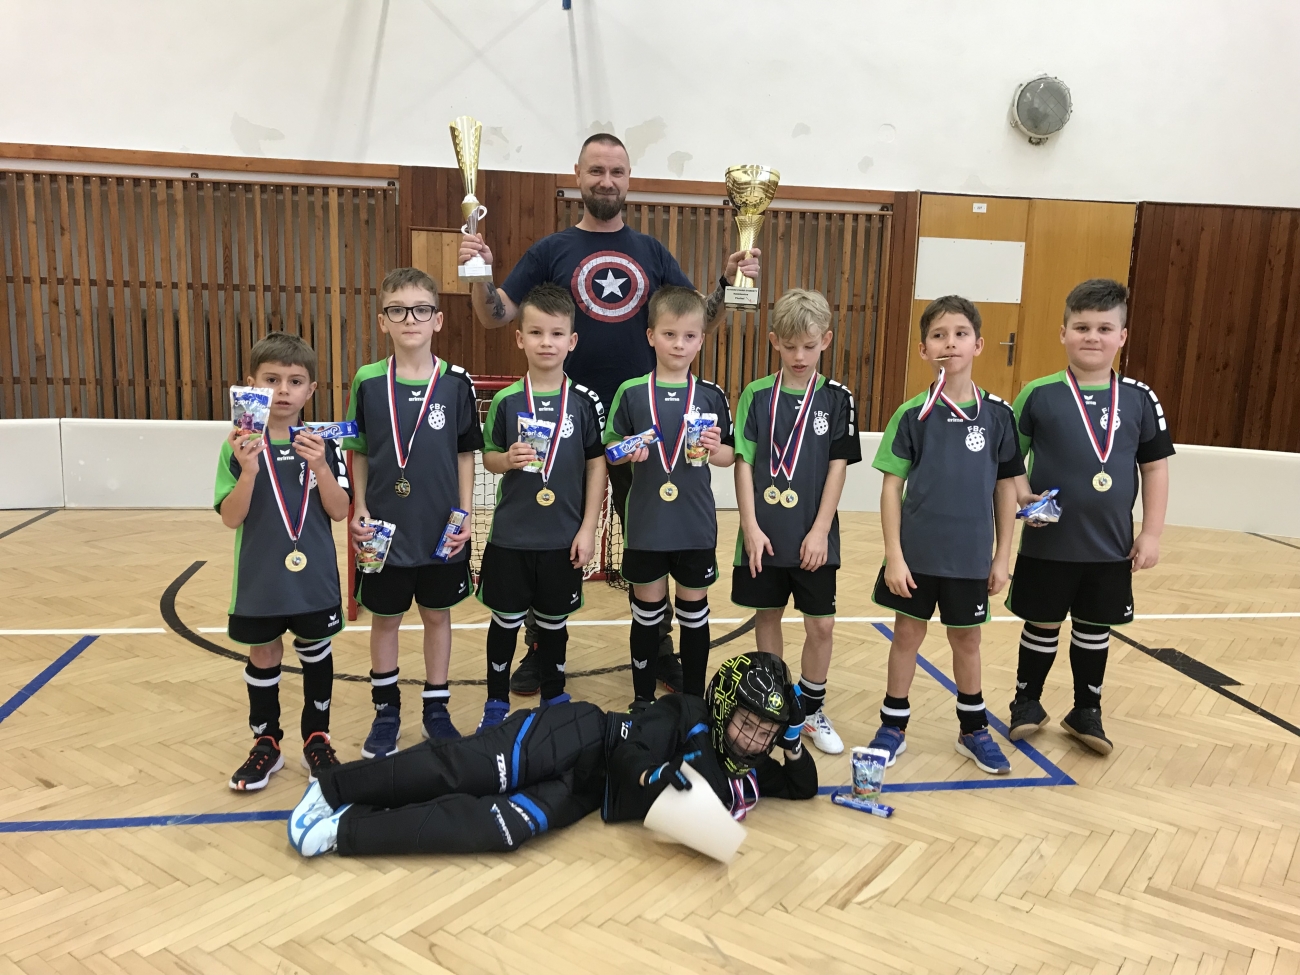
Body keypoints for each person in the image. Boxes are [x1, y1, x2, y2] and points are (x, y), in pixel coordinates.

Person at [459, 132, 761, 695]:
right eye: (596, 170)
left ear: (628, 180)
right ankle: (542, 649)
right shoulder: (551, 250)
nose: (606, 181)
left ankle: (660, 648)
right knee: (549, 538)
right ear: (578, 175)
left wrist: (729, 282)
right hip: (562, 425)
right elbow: (495, 314)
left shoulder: (651, 251)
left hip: (639, 428)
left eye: (616, 172)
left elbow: (697, 319)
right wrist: (478, 273)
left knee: (651, 539)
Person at [286, 652, 816, 858]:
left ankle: (345, 830)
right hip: (578, 734)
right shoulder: (687, 713)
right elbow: (632, 751)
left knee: (495, 831)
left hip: (584, 792)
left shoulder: (748, 767)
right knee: (463, 768)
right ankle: (332, 788)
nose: (753, 740)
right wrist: (656, 776)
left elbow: (803, 785)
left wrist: (790, 740)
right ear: (722, 707)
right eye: (747, 724)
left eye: (765, 732)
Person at [1006, 279, 1174, 755]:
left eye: (1104, 328)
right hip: (1048, 543)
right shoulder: (1038, 394)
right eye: (1081, 327)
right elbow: (1009, 461)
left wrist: (1152, 533)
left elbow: (1155, 468)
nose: (1092, 337)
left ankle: (1087, 710)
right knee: (1041, 624)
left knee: (1094, 628)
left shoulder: (1140, 398)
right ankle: (1027, 703)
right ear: (1063, 333)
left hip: (1110, 545)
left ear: (1122, 335)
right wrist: (1024, 498)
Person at [868, 295, 1024, 775]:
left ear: (979, 344)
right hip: (916, 557)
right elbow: (891, 487)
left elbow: (1006, 488)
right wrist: (894, 556)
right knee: (906, 636)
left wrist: (1002, 557)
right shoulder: (911, 414)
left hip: (969, 558)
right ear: (923, 349)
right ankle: (893, 726)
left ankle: (973, 729)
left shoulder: (998, 416)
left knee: (967, 642)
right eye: (938, 335)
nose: (950, 343)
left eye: (960, 334)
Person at [343, 268, 482, 757]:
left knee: (437, 617)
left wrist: (466, 512)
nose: (410, 319)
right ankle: (386, 713)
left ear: (437, 320)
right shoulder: (367, 381)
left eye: (421, 310)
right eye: (398, 310)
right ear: (383, 320)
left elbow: (465, 454)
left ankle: (436, 710)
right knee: (385, 620)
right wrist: (360, 506)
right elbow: (359, 450)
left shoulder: (457, 383)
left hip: (441, 528)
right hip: (383, 531)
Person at [215, 332, 352, 790]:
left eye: (295, 381)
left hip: (314, 578)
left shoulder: (324, 445)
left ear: (311, 390)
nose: (283, 391)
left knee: (316, 651)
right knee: (264, 652)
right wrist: (249, 471)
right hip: (260, 578)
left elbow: (340, 510)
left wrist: (321, 468)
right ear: (251, 385)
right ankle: (266, 743)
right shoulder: (236, 446)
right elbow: (231, 518)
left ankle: (317, 739)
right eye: (272, 380)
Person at [731, 290, 861, 755]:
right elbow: (743, 463)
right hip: (763, 534)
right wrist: (750, 527)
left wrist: (821, 530)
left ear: (826, 339)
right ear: (774, 342)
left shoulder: (838, 398)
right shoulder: (755, 395)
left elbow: (838, 467)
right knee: (767, 616)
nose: (799, 356)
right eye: (789, 346)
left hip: (814, 536)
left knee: (821, 626)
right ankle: (772, 706)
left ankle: (810, 710)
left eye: (808, 345)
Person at [476, 283, 608, 730]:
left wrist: (588, 528)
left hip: (562, 537)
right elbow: (489, 457)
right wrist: (506, 459)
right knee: (504, 622)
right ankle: (496, 703)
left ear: (572, 340)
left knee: (554, 624)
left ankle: (554, 697)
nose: (546, 342)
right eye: (535, 332)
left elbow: (596, 465)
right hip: (511, 537)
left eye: (556, 333)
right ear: (520, 339)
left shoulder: (584, 402)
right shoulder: (506, 400)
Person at [604, 285, 735, 703]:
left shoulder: (712, 395)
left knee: (694, 613)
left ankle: (693, 703)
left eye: (689, 336)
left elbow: (730, 456)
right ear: (651, 336)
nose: (679, 344)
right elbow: (610, 448)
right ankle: (643, 703)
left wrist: (715, 448)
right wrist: (628, 450)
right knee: (647, 614)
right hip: (646, 524)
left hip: (695, 525)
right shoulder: (631, 391)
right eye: (669, 334)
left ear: (701, 340)